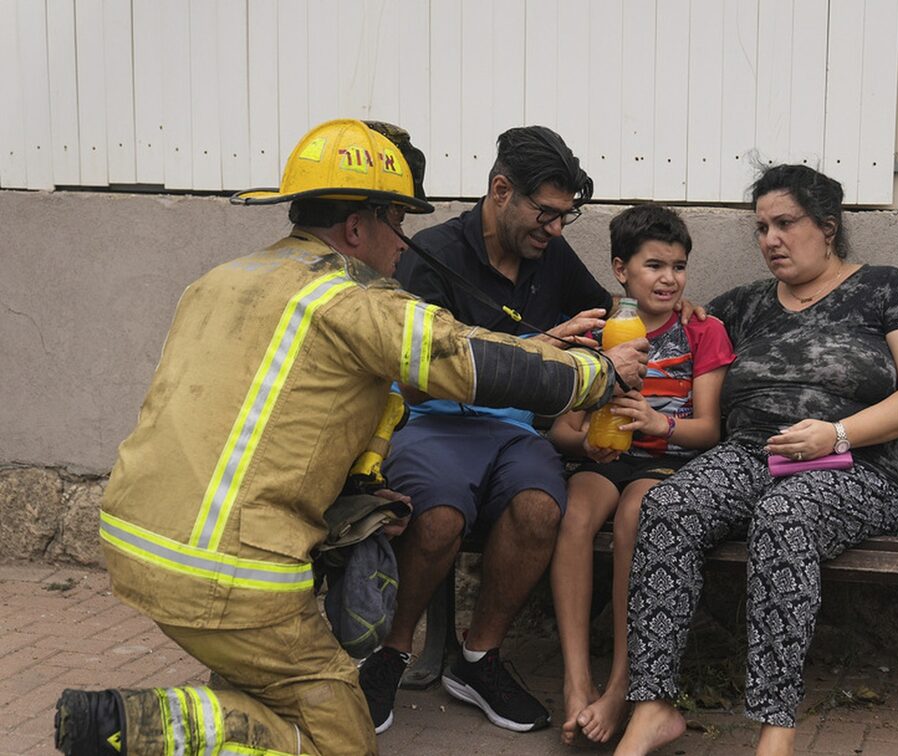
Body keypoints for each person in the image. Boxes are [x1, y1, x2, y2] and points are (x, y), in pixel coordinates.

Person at [52, 118, 647, 756]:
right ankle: (141, 722)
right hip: (228, 572)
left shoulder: (221, 280)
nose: (404, 242)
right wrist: (597, 373)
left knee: (269, 684)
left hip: (135, 543)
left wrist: (364, 477)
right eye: (397, 221)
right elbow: (470, 361)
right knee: (343, 739)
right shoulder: (353, 303)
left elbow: (286, 407)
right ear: (359, 227)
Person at [615, 164, 898, 756]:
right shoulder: (743, 305)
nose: (770, 239)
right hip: (751, 455)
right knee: (666, 509)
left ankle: (775, 729)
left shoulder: (888, 289)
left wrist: (838, 434)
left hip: (856, 468)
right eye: (762, 227)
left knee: (785, 516)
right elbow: (672, 331)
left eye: (785, 223)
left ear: (828, 226)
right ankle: (652, 707)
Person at [358, 125, 618, 735]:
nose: (555, 231)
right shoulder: (432, 253)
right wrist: (542, 345)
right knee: (440, 517)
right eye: (547, 214)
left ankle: (477, 658)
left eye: (565, 219)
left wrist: (666, 309)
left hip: (514, 433)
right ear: (501, 190)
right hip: (431, 424)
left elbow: (605, 310)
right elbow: (417, 382)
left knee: (538, 509)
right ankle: (390, 655)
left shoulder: (548, 251)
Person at [547, 205, 734, 745]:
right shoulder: (600, 331)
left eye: (678, 266)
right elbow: (563, 430)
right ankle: (576, 681)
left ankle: (622, 684)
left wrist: (660, 422)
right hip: (605, 458)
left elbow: (709, 430)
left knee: (637, 517)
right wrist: (587, 442)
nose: (669, 278)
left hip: (667, 462)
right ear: (620, 269)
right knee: (575, 516)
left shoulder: (702, 331)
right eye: (654, 265)